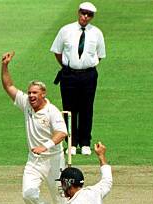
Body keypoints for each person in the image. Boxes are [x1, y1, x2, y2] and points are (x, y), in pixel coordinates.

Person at [1, 51, 73, 204]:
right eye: (30, 92)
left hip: (54, 161)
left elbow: (62, 133)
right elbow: (8, 86)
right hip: (34, 161)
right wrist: (5, 66)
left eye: (35, 93)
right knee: (28, 194)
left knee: (60, 199)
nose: (31, 96)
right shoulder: (26, 104)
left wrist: (45, 146)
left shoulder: (52, 111)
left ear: (43, 94)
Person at [51, 2, 106, 156]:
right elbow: (57, 51)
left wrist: (85, 67)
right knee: (69, 109)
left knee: (86, 108)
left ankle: (85, 142)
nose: (85, 17)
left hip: (88, 75)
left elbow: (100, 55)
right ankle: (71, 142)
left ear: (92, 17)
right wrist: (69, 66)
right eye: (83, 13)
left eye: (89, 15)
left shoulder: (96, 33)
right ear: (78, 13)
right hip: (69, 74)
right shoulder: (66, 30)